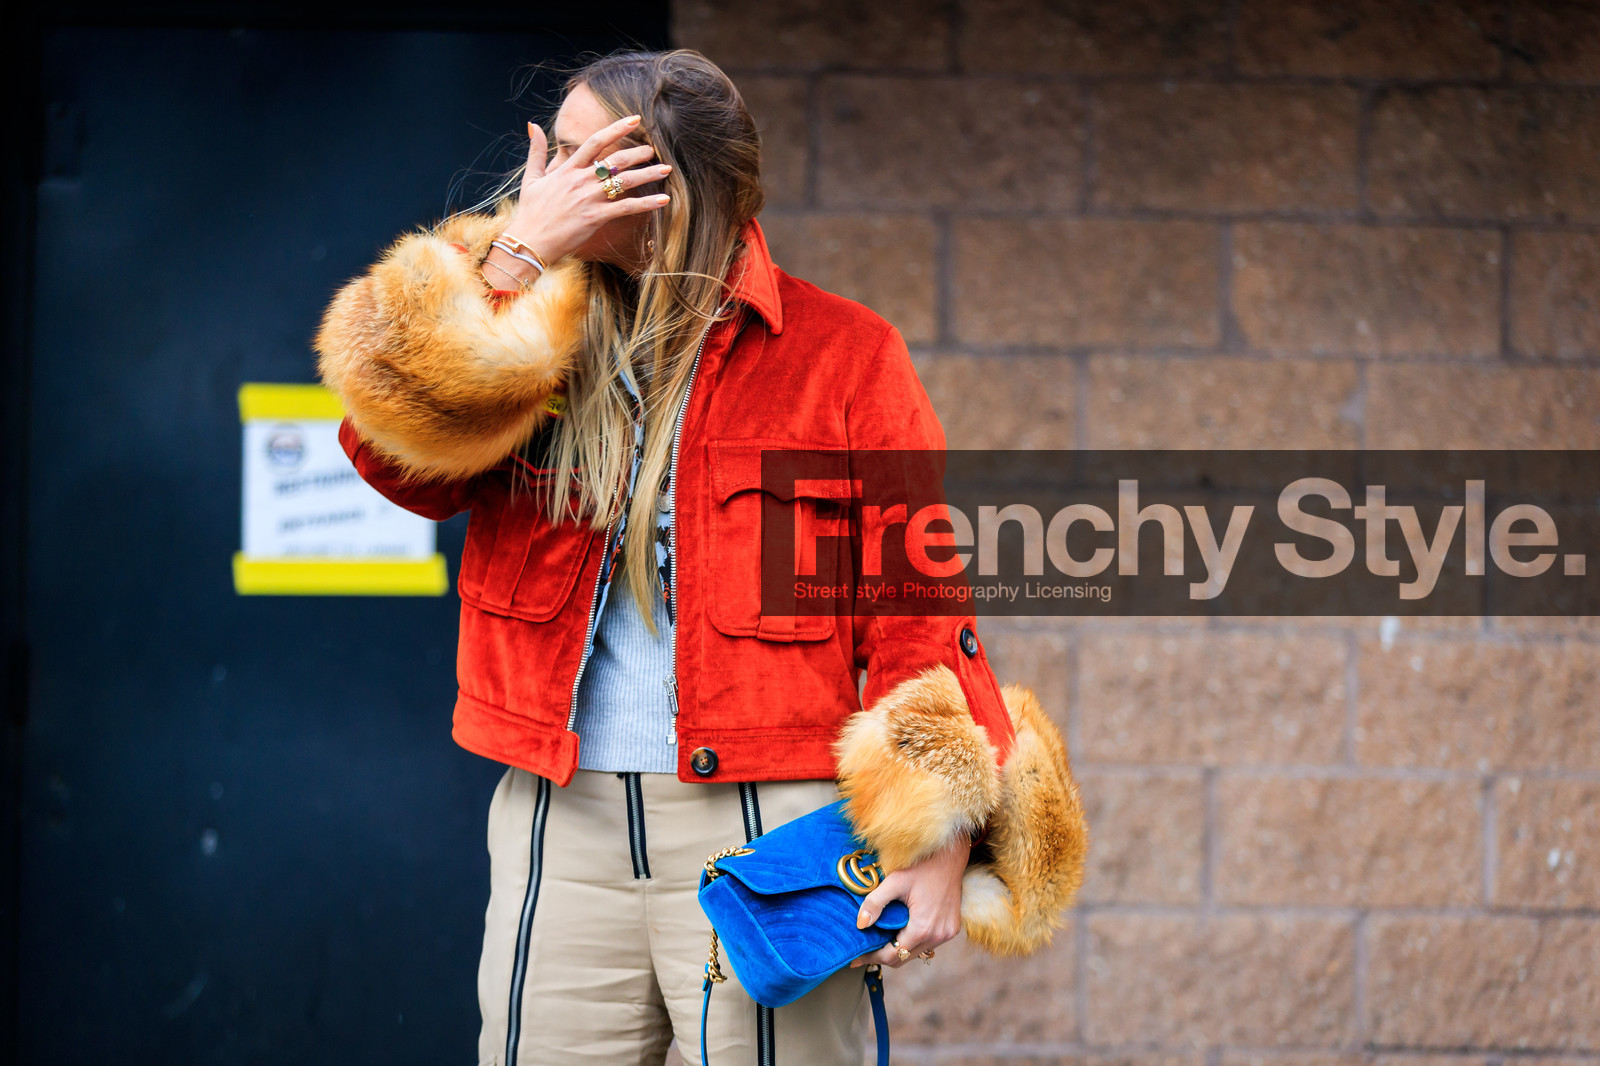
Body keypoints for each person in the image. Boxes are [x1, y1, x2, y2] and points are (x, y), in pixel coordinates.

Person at [314, 47, 1086, 1066]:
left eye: (588, 160)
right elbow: (391, 463)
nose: (545, 182)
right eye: (551, 152)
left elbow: (916, 607)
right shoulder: (530, 331)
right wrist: (510, 265)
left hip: (764, 824)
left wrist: (938, 838)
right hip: (560, 819)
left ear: (665, 190)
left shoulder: (842, 356)